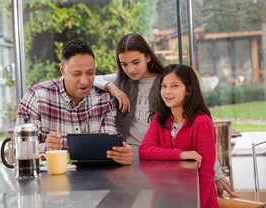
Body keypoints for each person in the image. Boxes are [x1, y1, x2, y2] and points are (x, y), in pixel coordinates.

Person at [94, 33, 238, 197]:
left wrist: (217, 175)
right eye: (124, 64)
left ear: (148, 57)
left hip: (160, 162)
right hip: (127, 163)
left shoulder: (167, 82)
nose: (131, 69)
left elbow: (202, 141)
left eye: (136, 62)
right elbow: (88, 78)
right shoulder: (121, 80)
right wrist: (111, 87)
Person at [16, 38, 133, 165]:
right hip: (50, 182)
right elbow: (18, 151)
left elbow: (109, 150)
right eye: (76, 74)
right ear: (62, 70)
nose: (85, 81)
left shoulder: (105, 100)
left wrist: (121, 155)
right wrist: (46, 148)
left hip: (95, 181)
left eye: (90, 73)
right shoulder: (36, 97)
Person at [139, 64, 219, 208]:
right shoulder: (160, 118)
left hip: (199, 201)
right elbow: (144, 150)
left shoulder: (202, 122)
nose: (167, 92)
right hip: (167, 199)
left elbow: (206, 173)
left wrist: (195, 204)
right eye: (164, 86)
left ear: (188, 90)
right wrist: (180, 154)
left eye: (174, 86)